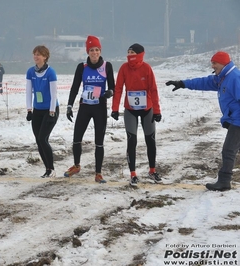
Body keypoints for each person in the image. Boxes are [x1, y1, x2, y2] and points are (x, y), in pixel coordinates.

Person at [166, 51, 240, 191]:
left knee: (228, 151)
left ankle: (224, 181)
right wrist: (182, 83)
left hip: (238, 121)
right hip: (234, 119)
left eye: (214, 63)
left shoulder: (234, 77)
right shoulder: (222, 78)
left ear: (223, 63)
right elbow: (203, 82)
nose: (212, 66)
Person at [64, 35, 115, 184]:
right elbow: (74, 88)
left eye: (97, 49)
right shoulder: (82, 67)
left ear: (100, 51)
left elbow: (113, 86)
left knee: (99, 142)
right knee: (76, 138)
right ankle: (76, 165)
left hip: (99, 107)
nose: (94, 53)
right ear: (88, 52)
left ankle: (98, 173)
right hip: (85, 106)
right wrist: (69, 105)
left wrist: (110, 92)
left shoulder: (107, 66)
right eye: (91, 50)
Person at [111, 43, 162, 187]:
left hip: (147, 109)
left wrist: (157, 111)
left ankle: (152, 170)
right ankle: (133, 174)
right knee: (131, 140)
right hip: (130, 110)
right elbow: (119, 88)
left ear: (140, 54)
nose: (130, 55)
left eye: (132, 52)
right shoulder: (124, 68)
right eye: (128, 52)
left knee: (150, 139)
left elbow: (153, 89)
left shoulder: (146, 68)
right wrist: (115, 108)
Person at [26, 45, 59, 178]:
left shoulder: (51, 72)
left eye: (38, 54)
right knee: (38, 140)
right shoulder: (30, 72)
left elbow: (53, 94)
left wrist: (52, 112)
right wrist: (29, 110)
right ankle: (47, 169)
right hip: (37, 110)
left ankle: (51, 168)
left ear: (45, 57)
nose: (36, 56)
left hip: (50, 109)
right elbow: (29, 92)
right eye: (34, 54)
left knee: (42, 138)